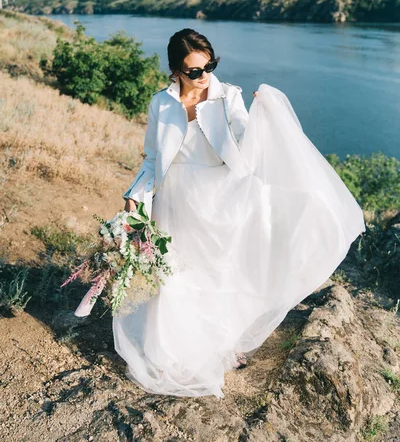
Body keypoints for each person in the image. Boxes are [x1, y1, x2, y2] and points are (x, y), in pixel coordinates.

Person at [112, 28, 366, 399]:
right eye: (194, 70)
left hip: (221, 197)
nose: (204, 76)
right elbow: (152, 159)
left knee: (218, 273)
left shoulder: (228, 96)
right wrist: (134, 197)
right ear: (175, 70)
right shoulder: (160, 103)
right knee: (176, 277)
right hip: (175, 200)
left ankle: (220, 343)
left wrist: (267, 115)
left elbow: (249, 144)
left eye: (209, 66)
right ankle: (177, 347)